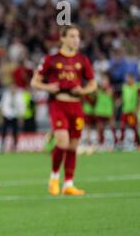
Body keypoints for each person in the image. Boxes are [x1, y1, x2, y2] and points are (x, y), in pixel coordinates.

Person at [31, 25, 97, 196]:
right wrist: (48, 87)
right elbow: (35, 82)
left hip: (76, 105)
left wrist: (83, 91)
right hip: (58, 103)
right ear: (63, 38)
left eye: (78, 36)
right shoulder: (51, 59)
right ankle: (54, 178)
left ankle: (68, 184)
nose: (76, 40)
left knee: (73, 146)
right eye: (72, 36)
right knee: (62, 142)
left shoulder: (82, 60)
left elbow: (93, 84)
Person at [0, 83, 26, 152]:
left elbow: (22, 107)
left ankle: (14, 146)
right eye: (11, 88)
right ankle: (2, 146)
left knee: (15, 133)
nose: (12, 89)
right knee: (3, 132)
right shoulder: (6, 95)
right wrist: (1, 116)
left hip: (15, 116)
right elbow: (2, 106)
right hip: (6, 116)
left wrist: (21, 118)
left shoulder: (19, 95)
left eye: (14, 88)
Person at [118, 73, 140, 150]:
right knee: (122, 126)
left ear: (133, 79)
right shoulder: (124, 87)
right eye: (127, 78)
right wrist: (119, 102)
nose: (128, 80)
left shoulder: (137, 87)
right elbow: (123, 97)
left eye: (129, 78)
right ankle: (121, 142)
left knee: (133, 126)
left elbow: (139, 98)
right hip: (125, 110)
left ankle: (137, 143)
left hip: (132, 111)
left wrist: (137, 108)